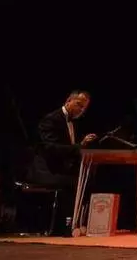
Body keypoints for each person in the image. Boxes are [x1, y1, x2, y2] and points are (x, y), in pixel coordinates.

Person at [30, 90, 97, 235]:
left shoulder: (74, 123)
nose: (81, 110)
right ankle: (63, 226)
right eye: (79, 105)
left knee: (90, 179)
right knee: (75, 182)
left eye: (84, 108)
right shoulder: (51, 120)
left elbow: (70, 149)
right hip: (47, 169)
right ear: (68, 101)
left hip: (63, 168)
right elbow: (51, 148)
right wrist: (79, 146)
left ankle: (79, 223)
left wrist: (82, 146)